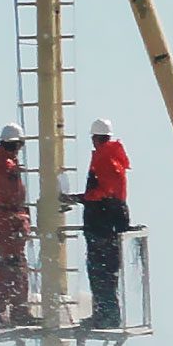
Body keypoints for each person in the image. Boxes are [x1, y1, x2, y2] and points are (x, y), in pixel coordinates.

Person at [66, 117, 131, 328]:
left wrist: (81, 198)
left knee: (101, 274)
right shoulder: (112, 157)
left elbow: (104, 193)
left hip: (102, 226)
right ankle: (105, 315)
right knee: (105, 274)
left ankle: (107, 316)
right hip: (107, 226)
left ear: (95, 138)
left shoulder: (105, 159)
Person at [0, 123, 33, 328]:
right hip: (8, 230)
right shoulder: (7, 169)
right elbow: (13, 201)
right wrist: (22, 222)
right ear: (16, 145)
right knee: (13, 271)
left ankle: (0, 315)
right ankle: (12, 313)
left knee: (5, 272)